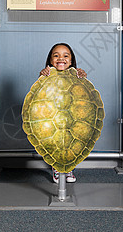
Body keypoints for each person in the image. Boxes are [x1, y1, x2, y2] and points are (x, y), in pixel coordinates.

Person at [40, 43, 87, 183]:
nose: (61, 58)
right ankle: (57, 167)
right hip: (52, 115)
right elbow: (40, 93)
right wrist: (41, 74)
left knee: (70, 142)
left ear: (71, 61)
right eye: (56, 55)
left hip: (70, 115)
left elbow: (82, 95)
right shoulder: (47, 74)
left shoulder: (76, 75)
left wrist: (82, 77)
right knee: (55, 142)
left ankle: (69, 168)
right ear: (50, 60)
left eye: (66, 56)